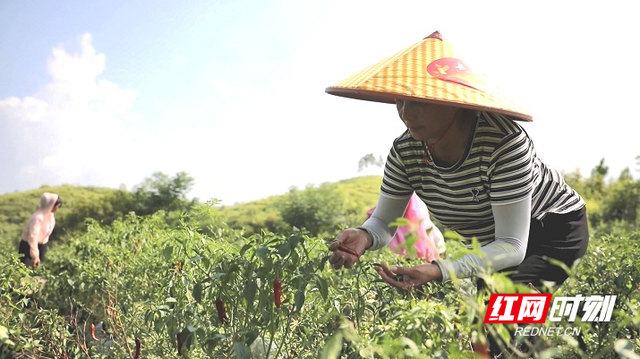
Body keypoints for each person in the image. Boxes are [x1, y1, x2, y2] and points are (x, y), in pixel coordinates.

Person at [325, 30, 589, 355]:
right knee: (486, 328)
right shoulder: (406, 151)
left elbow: (512, 245)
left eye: (419, 101)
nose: (407, 113)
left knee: (506, 318)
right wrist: (365, 236)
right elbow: (384, 220)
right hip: (492, 244)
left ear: (452, 101)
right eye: (400, 100)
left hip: (551, 229)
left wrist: (439, 270)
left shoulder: (503, 143)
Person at [366, 192, 445, 262]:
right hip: (423, 247)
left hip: (406, 245)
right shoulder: (419, 198)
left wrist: (372, 213)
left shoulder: (406, 195)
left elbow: (388, 209)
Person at [18, 192, 62, 269]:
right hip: (28, 245)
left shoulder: (50, 216)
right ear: (51, 205)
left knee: (38, 269)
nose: (57, 208)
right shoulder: (37, 217)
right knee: (24, 269)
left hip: (41, 245)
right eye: (57, 205)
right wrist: (35, 255)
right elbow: (33, 237)